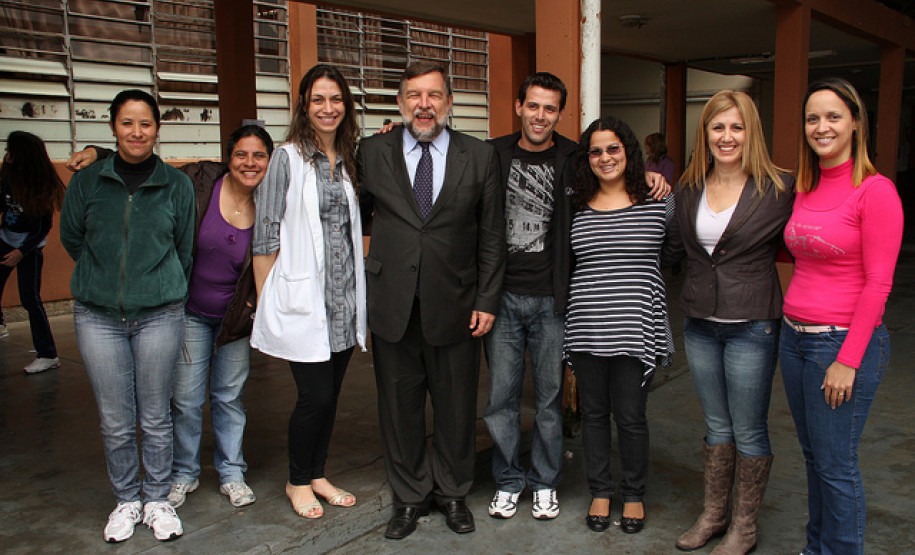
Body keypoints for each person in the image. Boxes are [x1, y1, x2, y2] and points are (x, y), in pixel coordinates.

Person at [483, 72, 671, 522]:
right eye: (533, 105)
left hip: (554, 299)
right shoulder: (491, 155)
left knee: (551, 399)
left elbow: (619, 176)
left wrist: (648, 173)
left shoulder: (573, 157)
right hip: (504, 298)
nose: (541, 115)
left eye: (550, 108)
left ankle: (546, 481)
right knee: (502, 399)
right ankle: (509, 481)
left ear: (560, 114)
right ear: (518, 106)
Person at [66, 124, 275, 509]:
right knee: (185, 399)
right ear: (227, 158)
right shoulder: (197, 181)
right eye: (241, 154)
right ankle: (184, 473)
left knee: (229, 397)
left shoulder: (272, 200)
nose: (249, 162)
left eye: (259, 155)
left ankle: (231, 472)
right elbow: (143, 164)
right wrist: (99, 152)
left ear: (269, 161)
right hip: (190, 313)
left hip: (235, 320)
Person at [358, 61, 505, 539]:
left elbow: (491, 237)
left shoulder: (479, 156)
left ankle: (453, 492)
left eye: (434, 95)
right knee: (398, 409)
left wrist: (486, 298)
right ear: (400, 103)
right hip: (393, 303)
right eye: (415, 95)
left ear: (449, 103)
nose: (425, 104)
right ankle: (409, 496)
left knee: (457, 405)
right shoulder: (371, 151)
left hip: (458, 303)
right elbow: (357, 221)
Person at [662, 90, 794, 554]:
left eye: (736, 127)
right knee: (717, 426)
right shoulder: (689, 188)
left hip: (752, 324)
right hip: (699, 321)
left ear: (750, 131)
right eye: (718, 127)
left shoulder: (779, 188)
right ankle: (714, 515)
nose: (727, 136)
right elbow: (670, 249)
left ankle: (744, 526)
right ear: (706, 133)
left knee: (749, 428)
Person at [60, 89, 195, 543]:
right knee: (116, 417)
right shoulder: (87, 182)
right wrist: (102, 277)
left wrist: (155, 283)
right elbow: (73, 237)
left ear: (157, 129)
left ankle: (157, 499)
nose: (137, 132)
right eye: (127, 123)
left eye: (146, 124)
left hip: (160, 313)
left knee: (156, 414)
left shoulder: (175, 185)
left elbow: (184, 249)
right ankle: (126, 500)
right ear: (114, 127)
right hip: (97, 315)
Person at [780, 77, 902, 555]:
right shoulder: (805, 187)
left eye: (833, 116)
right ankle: (818, 548)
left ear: (855, 123)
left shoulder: (875, 191)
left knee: (836, 464)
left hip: (842, 344)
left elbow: (879, 283)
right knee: (814, 458)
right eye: (813, 118)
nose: (822, 126)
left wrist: (849, 359)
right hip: (794, 340)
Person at [250, 64, 365, 520]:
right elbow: (265, 232)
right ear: (304, 104)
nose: (327, 107)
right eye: (318, 99)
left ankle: (318, 473)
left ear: (346, 106)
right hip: (305, 302)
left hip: (344, 303)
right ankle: (298, 479)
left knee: (331, 396)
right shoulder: (287, 158)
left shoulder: (349, 159)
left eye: (336, 99)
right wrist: (268, 302)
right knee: (313, 397)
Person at [565, 115, 673, 535]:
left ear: (627, 151)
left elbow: (678, 250)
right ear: (586, 157)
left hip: (636, 326)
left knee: (630, 416)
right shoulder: (575, 203)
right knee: (593, 414)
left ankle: (633, 494)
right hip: (587, 325)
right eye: (595, 150)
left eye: (613, 148)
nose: (604, 157)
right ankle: (600, 490)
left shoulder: (658, 199)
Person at [0, 131, 64, 373]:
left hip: (29, 247)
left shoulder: (40, 184)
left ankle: (48, 354)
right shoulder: (8, 177)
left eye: (10, 151)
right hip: (5, 239)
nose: (7, 155)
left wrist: (22, 251)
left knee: (30, 298)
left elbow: (43, 227)